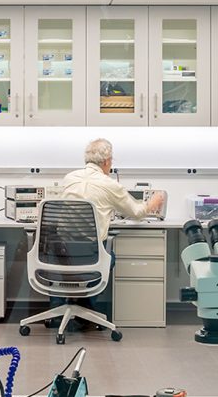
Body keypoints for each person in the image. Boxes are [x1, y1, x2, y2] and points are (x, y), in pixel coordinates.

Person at [50, 138, 166, 329]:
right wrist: (152, 204)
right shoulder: (110, 185)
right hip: (91, 254)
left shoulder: (69, 178)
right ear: (106, 162)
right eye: (111, 161)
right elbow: (136, 213)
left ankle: (67, 307)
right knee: (109, 258)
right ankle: (86, 307)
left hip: (62, 254)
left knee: (75, 263)